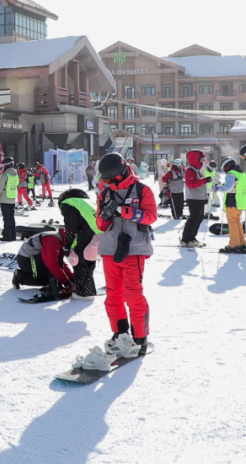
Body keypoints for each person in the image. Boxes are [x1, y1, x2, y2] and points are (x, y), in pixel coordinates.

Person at [94, 152, 155, 360]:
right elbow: (100, 226)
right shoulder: (104, 194)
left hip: (134, 249)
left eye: (112, 180)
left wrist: (125, 211)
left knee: (133, 295)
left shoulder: (142, 190)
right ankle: (120, 333)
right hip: (110, 250)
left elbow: (151, 216)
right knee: (113, 296)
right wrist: (105, 215)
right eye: (107, 180)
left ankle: (140, 337)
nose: (109, 183)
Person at [11, 228, 75, 301]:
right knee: (53, 275)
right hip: (27, 261)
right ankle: (53, 287)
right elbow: (52, 263)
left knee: (50, 278)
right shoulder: (52, 239)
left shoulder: (60, 238)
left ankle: (21, 277)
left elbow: (61, 264)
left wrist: (71, 278)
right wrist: (66, 282)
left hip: (31, 259)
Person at [58, 188, 99, 297]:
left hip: (86, 233)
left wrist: (67, 246)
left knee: (80, 262)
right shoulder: (87, 203)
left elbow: (71, 227)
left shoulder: (67, 203)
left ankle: (84, 294)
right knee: (89, 262)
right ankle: (89, 291)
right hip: (99, 234)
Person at [215, 157, 246, 254]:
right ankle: (241, 242)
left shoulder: (231, 174)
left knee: (232, 223)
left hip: (232, 201)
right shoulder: (241, 173)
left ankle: (234, 245)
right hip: (240, 202)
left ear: (227, 166)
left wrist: (218, 188)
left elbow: (228, 188)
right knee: (237, 222)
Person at [180, 150, 210, 247]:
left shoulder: (196, 170)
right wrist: (204, 180)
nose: (202, 161)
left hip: (199, 197)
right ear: (195, 159)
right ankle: (186, 239)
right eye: (201, 159)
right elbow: (191, 184)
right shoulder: (190, 170)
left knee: (199, 219)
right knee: (193, 219)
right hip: (194, 198)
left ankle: (192, 237)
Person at [0, 157, 19, 241]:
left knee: (6, 218)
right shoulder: (16, 174)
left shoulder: (5, 175)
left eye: (3, 165)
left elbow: (0, 188)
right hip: (12, 198)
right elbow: (16, 184)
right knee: (11, 218)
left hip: (4, 198)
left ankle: (7, 236)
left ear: (6, 165)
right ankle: (13, 235)